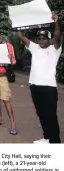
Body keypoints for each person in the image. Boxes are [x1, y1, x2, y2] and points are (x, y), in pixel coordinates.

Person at [14, 13, 62, 144]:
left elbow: (57, 35)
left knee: (50, 116)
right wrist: (18, 22)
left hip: (48, 88)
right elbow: (20, 36)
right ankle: (47, 138)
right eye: (39, 38)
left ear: (49, 39)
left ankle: (55, 142)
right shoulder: (34, 48)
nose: (41, 40)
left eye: (44, 38)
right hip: (35, 86)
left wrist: (56, 22)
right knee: (40, 113)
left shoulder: (55, 49)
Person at [0, 26, 18, 135]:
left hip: (3, 77)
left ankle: (13, 124)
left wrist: (9, 58)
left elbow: (14, 62)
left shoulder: (7, 45)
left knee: (6, 100)